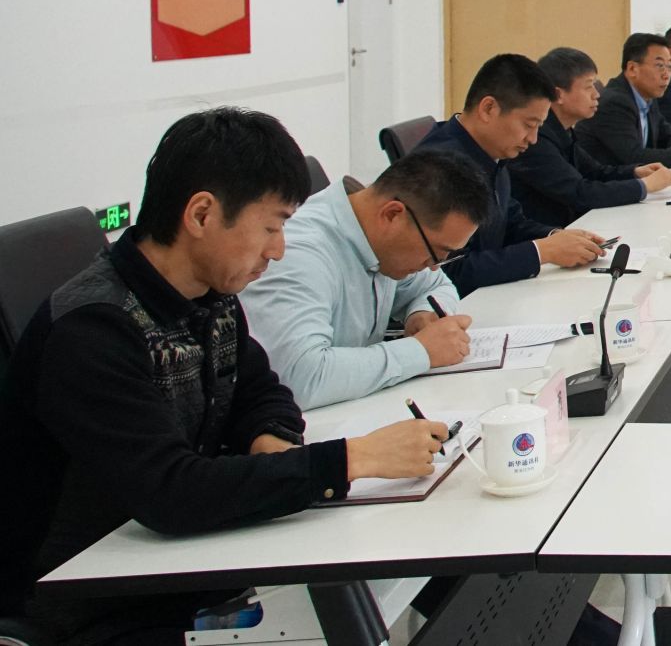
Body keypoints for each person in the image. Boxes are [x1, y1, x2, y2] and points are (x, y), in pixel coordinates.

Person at [0, 109, 449, 642]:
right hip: (90, 603)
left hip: (184, 558)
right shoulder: (93, 329)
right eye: (271, 227)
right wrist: (352, 459)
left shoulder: (210, 294)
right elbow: (170, 492)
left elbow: (263, 390)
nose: (278, 249)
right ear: (202, 214)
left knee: (415, 568)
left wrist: (270, 437)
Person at [241, 149, 494, 410]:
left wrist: (421, 314)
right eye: (434, 254)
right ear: (392, 214)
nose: (432, 268)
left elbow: (437, 285)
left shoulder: (380, 239)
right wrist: (421, 351)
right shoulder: (300, 254)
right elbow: (298, 379)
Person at [417, 53, 606, 294]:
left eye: (539, 127)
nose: (533, 139)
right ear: (488, 108)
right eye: (529, 125)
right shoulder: (440, 167)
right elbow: (451, 271)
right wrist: (542, 252)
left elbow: (511, 222)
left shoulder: (490, 151)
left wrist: (557, 237)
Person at [511, 47, 671, 229]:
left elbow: (595, 172)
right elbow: (580, 193)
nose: (597, 94)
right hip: (549, 234)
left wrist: (635, 172)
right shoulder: (537, 138)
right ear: (558, 95)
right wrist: (644, 185)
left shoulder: (563, 130)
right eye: (588, 86)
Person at [582, 33, 671, 168]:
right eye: (659, 66)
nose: (666, 75)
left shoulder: (647, 96)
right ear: (632, 69)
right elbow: (634, 157)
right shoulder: (615, 102)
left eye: (669, 67)